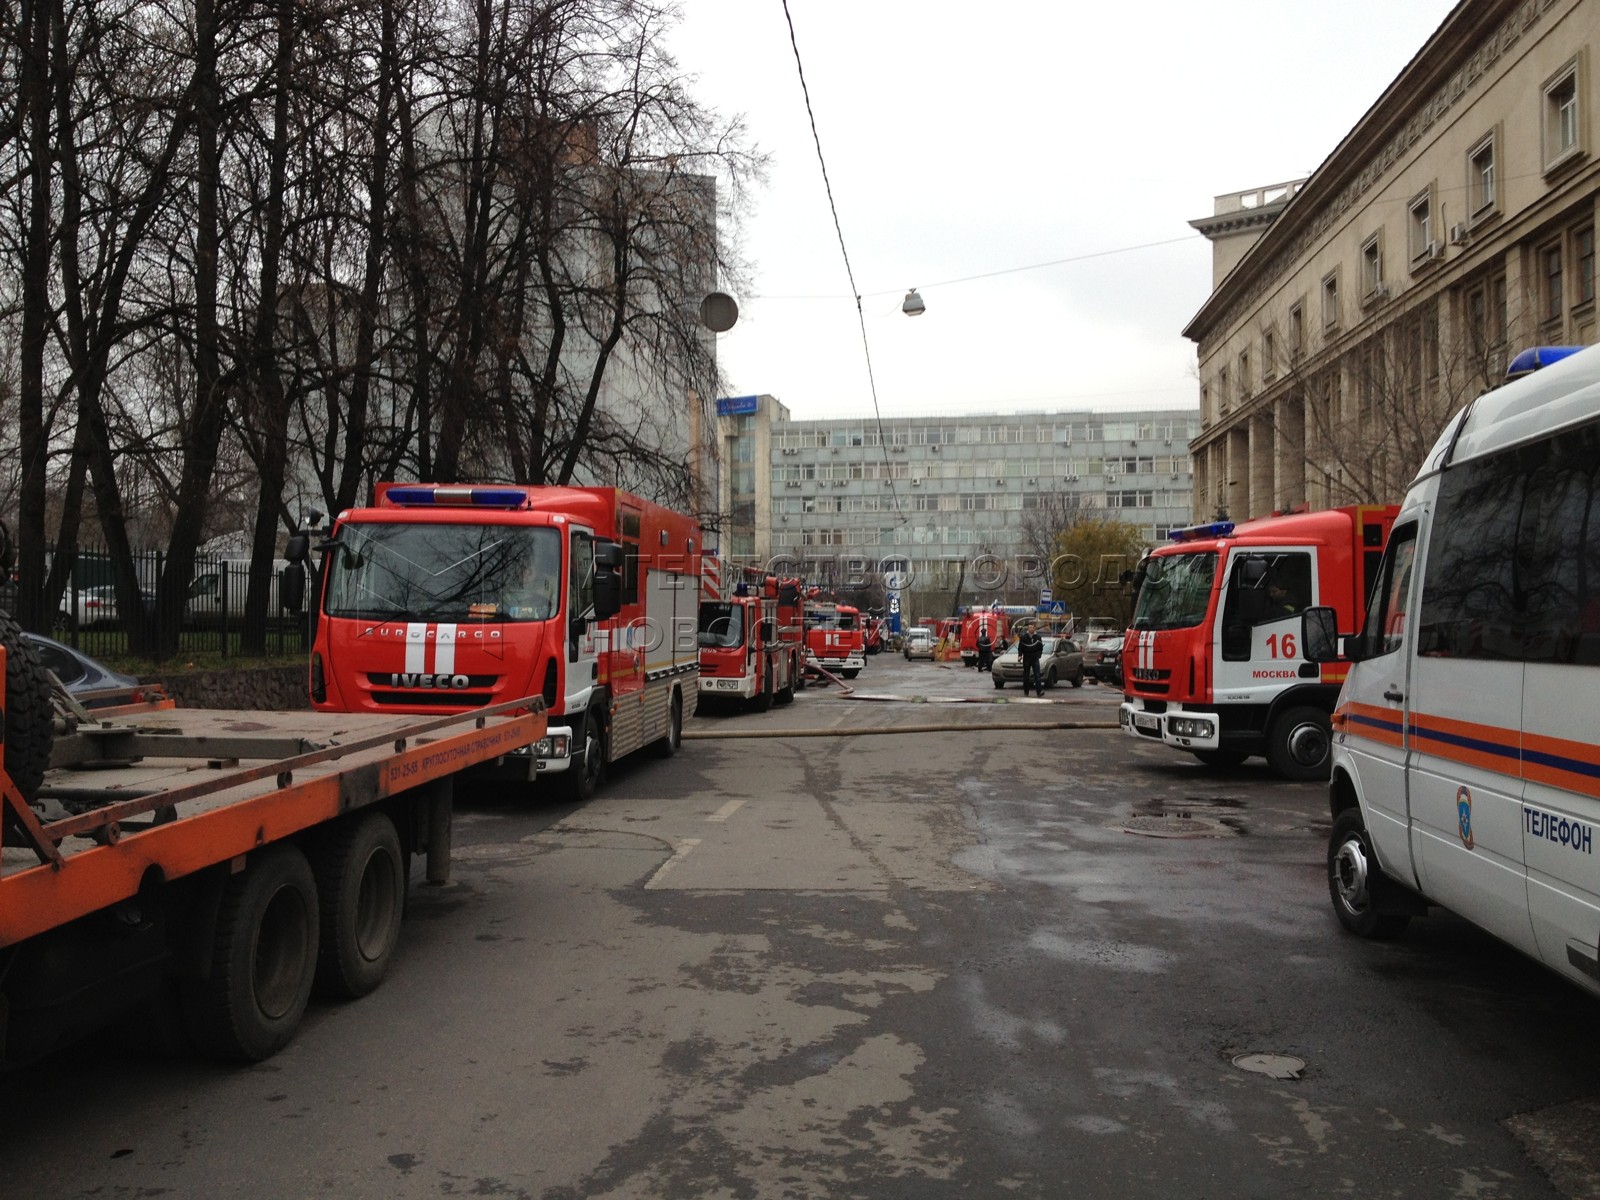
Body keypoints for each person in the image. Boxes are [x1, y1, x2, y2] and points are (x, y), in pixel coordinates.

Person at [1017, 623, 1045, 696]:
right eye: (1030, 627)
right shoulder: (1023, 637)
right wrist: (1020, 655)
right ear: (1028, 629)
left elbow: (1040, 647)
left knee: (1037, 675)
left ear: (1034, 629)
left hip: (1035, 657)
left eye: (1032, 627)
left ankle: (1039, 692)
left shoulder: (1038, 637)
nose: (1031, 629)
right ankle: (1026, 691)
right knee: (1026, 675)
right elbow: (1020, 647)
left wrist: (1039, 655)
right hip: (1027, 657)